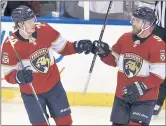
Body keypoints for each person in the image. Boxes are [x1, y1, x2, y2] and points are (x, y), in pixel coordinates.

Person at [1, 5, 93, 126]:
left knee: (65, 122)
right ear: (19, 24)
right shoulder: (10, 45)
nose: (33, 23)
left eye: (33, 19)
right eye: (29, 21)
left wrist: (77, 46)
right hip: (31, 94)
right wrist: (19, 77)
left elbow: (64, 47)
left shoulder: (45, 29)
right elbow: (8, 74)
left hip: (54, 87)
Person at [91, 6, 165, 125]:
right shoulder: (125, 38)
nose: (133, 23)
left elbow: (159, 75)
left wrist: (140, 86)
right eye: (133, 19)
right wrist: (103, 53)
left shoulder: (158, 45)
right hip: (122, 95)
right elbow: (114, 61)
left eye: (137, 20)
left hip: (145, 99)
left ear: (147, 24)